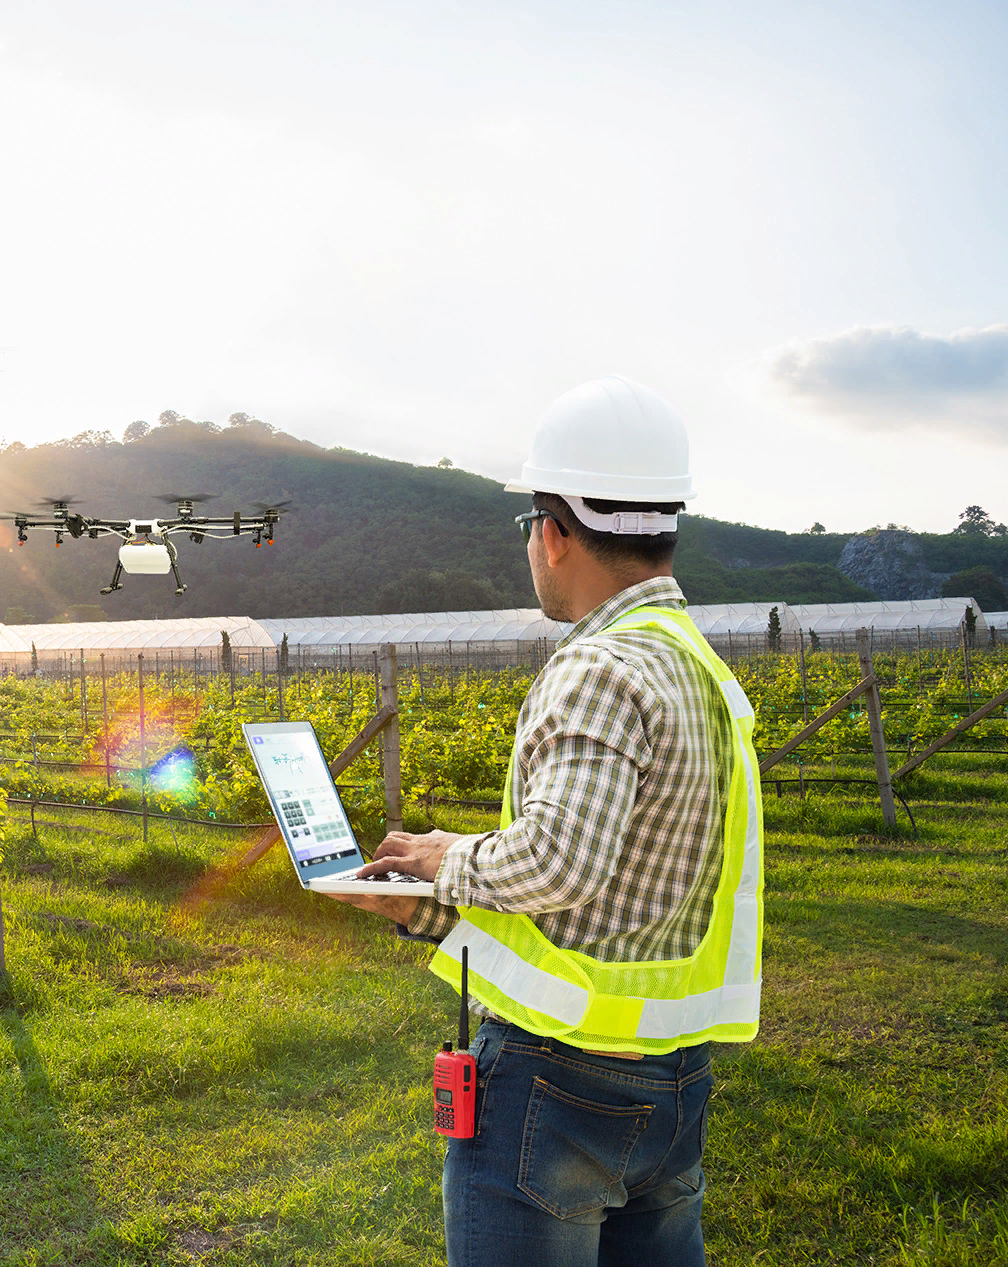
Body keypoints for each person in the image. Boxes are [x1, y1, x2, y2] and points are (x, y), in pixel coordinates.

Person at [328, 377, 763, 1267]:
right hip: (674, 1082)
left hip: (558, 1091)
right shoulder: (701, 670)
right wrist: (426, 908)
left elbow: (562, 863)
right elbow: (611, 910)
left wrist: (448, 857)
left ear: (555, 531)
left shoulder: (599, 665)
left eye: (531, 526)